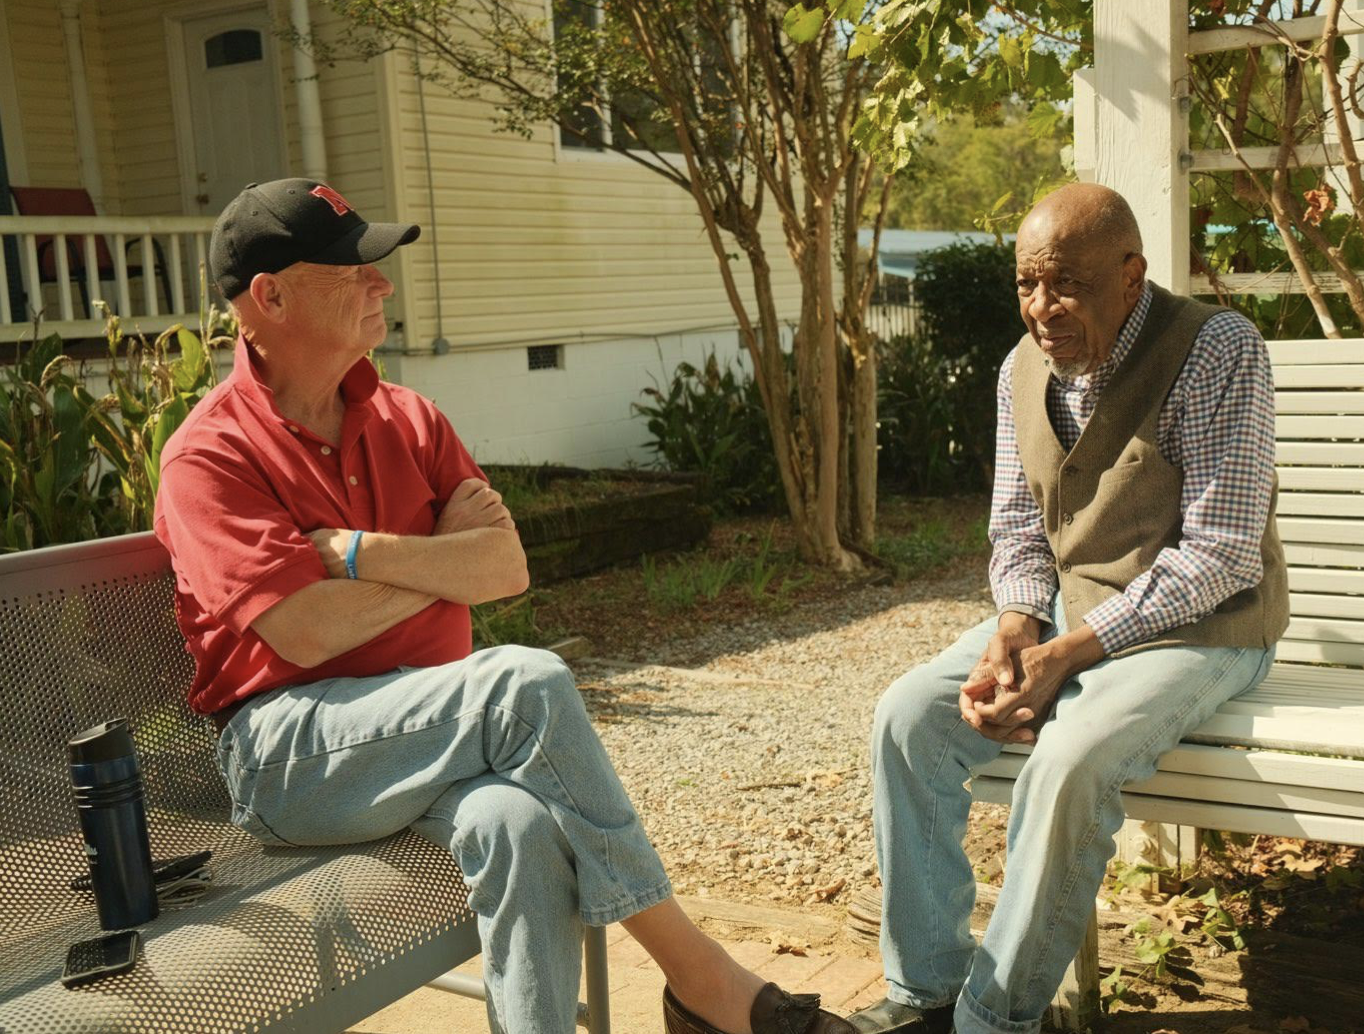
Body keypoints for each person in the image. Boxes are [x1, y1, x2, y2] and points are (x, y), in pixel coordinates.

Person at [154, 178, 856, 1034]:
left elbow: (506, 567)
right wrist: (448, 563)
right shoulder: (208, 456)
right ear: (269, 297)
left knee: (516, 823)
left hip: (435, 736)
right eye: (354, 270)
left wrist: (353, 553)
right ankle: (701, 980)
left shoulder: (410, 419)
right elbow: (301, 631)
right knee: (524, 682)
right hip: (290, 754)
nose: (382, 284)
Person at [847, 183, 1289, 1034]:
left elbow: (1225, 552)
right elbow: (1017, 525)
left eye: (1067, 284)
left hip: (1207, 627)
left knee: (1067, 764)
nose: (1042, 307)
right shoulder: (1021, 367)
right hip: (1070, 614)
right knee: (906, 719)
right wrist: (1017, 625)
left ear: (1131, 276)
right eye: (1027, 284)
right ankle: (926, 999)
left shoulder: (1218, 348)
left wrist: (1069, 653)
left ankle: (994, 1018)